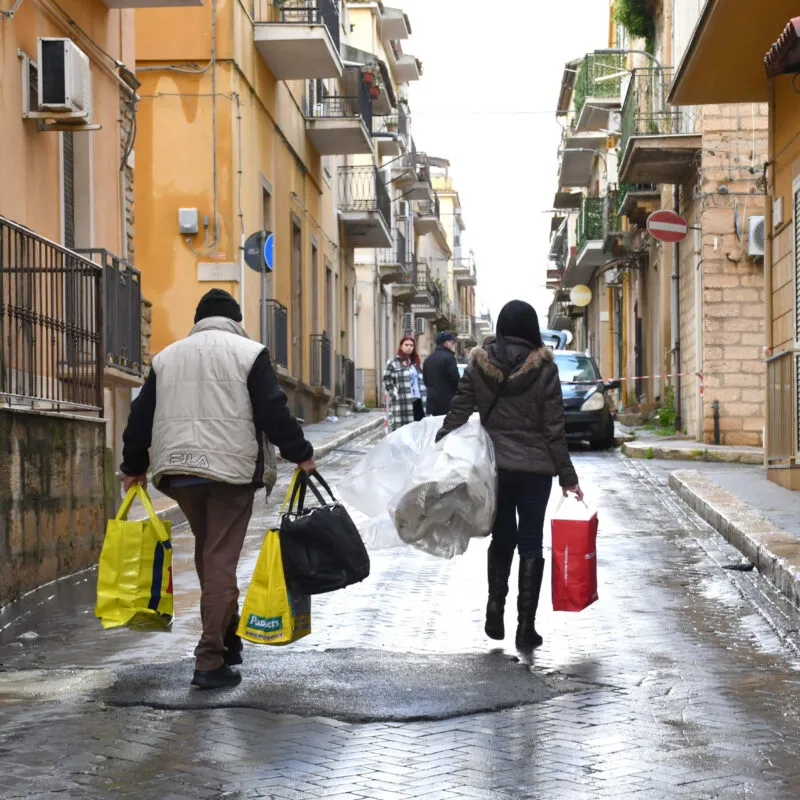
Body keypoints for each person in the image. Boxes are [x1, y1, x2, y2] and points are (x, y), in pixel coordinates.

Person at [120, 288, 316, 690]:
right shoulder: (248, 352)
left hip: (179, 473)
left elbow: (141, 414)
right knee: (221, 561)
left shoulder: (166, 356)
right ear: (235, 319)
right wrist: (301, 453)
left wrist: (133, 466)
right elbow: (273, 410)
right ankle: (209, 660)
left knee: (211, 555)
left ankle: (228, 637)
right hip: (229, 472)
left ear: (198, 320)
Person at [437, 300, 583, 651]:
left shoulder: (479, 364)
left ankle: (494, 608)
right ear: (532, 327)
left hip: (495, 470)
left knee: (502, 538)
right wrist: (568, 476)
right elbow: (554, 427)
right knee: (531, 542)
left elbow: (459, 411)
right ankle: (525, 628)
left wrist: (438, 446)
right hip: (536, 471)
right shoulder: (545, 368)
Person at [383, 336, 427, 432]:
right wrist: (395, 394)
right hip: (402, 402)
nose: (409, 347)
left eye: (411, 345)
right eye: (406, 345)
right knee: (403, 431)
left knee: (418, 430)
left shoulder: (416, 362)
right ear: (401, 346)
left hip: (418, 402)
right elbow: (387, 380)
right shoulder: (394, 362)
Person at [423, 331, 461, 417]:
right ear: (446, 343)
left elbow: (425, 380)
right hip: (447, 402)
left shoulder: (428, 359)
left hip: (431, 402)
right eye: (452, 342)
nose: (452, 345)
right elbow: (454, 379)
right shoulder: (449, 358)